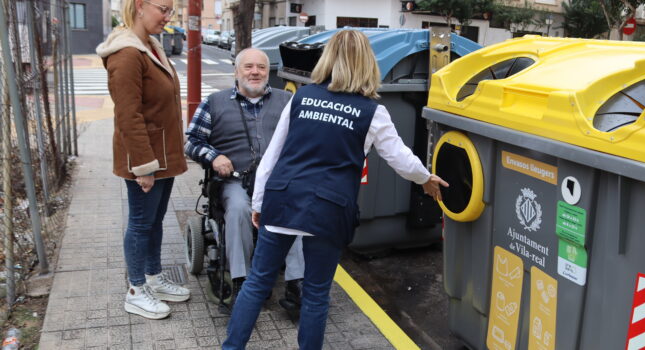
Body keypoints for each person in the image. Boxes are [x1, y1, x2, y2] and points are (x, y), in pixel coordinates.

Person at [222, 29, 449, 349]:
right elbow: (400, 158)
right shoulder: (373, 111)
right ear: (368, 64)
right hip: (328, 209)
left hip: (284, 198)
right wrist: (426, 178)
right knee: (315, 295)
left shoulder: (302, 96)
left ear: (327, 59)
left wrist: (258, 201)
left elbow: (273, 155)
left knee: (257, 283)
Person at [184, 48, 305, 309]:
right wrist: (214, 157)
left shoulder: (288, 101)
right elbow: (192, 141)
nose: (255, 72)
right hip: (234, 180)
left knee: (295, 207)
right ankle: (244, 280)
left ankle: (296, 283)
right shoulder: (214, 102)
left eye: (261, 67)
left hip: (276, 181)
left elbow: (305, 140)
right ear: (236, 72)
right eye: (248, 67)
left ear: (268, 72)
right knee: (239, 208)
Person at [96, 0, 189, 320]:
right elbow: (128, 117)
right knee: (140, 223)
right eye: (163, 9)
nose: (168, 17)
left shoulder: (149, 46)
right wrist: (144, 168)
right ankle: (136, 290)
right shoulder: (126, 54)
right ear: (139, 6)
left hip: (162, 155)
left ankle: (153, 278)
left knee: (154, 221)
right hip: (146, 159)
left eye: (171, 11)